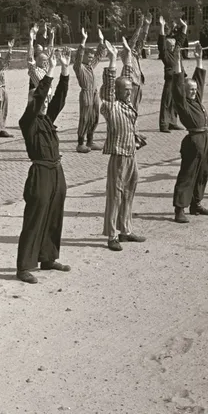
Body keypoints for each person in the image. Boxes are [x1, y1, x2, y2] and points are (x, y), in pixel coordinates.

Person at [15, 48, 72, 284]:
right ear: (32, 102)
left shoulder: (46, 120)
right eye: (40, 99)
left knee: (54, 214)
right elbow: (39, 97)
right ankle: (24, 266)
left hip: (56, 171)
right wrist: (49, 72)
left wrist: (65, 70)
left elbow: (59, 99)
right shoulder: (27, 121)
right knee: (34, 218)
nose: (45, 102)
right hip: (40, 173)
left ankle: (48, 257)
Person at [100, 40, 147, 251]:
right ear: (117, 92)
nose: (129, 92)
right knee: (115, 195)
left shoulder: (130, 105)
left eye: (129, 90)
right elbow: (109, 87)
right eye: (125, 90)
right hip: (119, 156)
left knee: (129, 192)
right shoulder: (111, 107)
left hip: (131, 154)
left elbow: (131, 80)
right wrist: (112, 60)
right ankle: (112, 235)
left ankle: (125, 230)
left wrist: (127, 58)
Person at [171, 43, 208, 223]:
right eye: (191, 90)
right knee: (187, 174)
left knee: (203, 171)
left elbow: (199, 80)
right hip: (193, 141)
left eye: (195, 89)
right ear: (185, 92)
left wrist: (199, 59)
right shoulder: (183, 103)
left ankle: (196, 203)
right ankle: (179, 209)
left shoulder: (196, 100)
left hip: (205, 139)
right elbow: (178, 85)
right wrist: (177, 60)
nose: (194, 91)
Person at [72, 28, 105, 153]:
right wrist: (83, 40)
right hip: (86, 94)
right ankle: (80, 144)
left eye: (91, 58)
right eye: (89, 57)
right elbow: (78, 56)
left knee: (94, 117)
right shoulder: (79, 67)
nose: (91, 59)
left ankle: (90, 141)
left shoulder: (90, 66)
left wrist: (101, 40)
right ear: (84, 57)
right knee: (85, 118)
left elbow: (99, 56)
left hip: (94, 94)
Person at [157, 16, 187, 133]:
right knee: (166, 102)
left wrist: (184, 26)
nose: (173, 46)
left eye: (174, 45)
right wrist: (161, 26)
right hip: (170, 79)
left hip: (180, 77)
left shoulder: (176, 50)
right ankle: (164, 124)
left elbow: (181, 38)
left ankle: (173, 122)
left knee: (175, 101)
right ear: (168, 46)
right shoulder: (165, 54)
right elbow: (161, 43)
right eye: (171, 45)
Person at [123, 13, 151, 110]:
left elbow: (142, 40)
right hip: (131, 83)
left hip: (138, 83)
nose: (135, 46)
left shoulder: (135, 53)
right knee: (130, 107)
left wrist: (147, 26)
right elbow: (134, 40)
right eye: (132, 44)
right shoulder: (125, 53)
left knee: (136, 107)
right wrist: (139, 26)